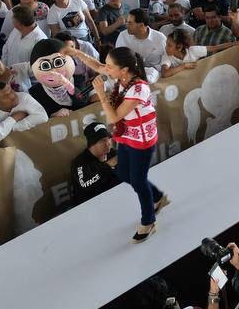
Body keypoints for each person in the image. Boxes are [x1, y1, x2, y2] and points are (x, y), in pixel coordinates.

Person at [69, 45, 168, 242]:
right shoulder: (121, 76)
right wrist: (76, 53)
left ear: (123, 69)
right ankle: (157, 196)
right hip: (127, 135)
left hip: (142, 140)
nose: (106, 69)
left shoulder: (139, 88)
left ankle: (148, 221)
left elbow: (114, 117)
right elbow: (97, 65)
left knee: (138, 181)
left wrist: (100, 93)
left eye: (110, 66)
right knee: (123, 173)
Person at [66, 122, 121, 208]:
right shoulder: (79, 162)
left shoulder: (112, 153)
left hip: (113, 199)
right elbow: (86, 184)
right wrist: (108, 165)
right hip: (88, 206)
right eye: (102, 141)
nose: (108, 144)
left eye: (108, 139)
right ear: (92, 144)